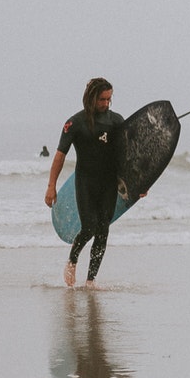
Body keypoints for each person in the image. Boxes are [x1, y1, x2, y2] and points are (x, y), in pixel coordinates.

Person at [45, 78, 125, 288]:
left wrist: (139, 185)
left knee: (103, 230)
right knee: (89, 227)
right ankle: (73, 259)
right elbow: (60, 156)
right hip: (85, 182)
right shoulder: (75, 123)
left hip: (108, 183)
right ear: (91, 97)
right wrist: (51, 186)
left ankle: (90, 280)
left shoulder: (116, 122)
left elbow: (127, 157)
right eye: (101, 99)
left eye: (109, 99)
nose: (106, 104)